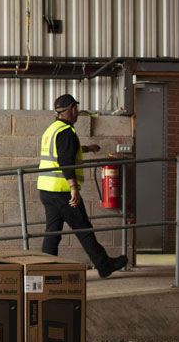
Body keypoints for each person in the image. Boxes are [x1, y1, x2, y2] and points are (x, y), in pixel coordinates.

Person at [37, 93, 128, 278]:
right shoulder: (66, 132)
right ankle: (104, 265)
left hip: (47, 190)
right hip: (63, 191)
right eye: (75, 109)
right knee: (83, 228)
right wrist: (74, 188)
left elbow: (63, 151)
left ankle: (43, 271)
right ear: (71, 110)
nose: (77, 112)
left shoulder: (52, 129)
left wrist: (87, 148)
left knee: (53, 232)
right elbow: (65, 160)